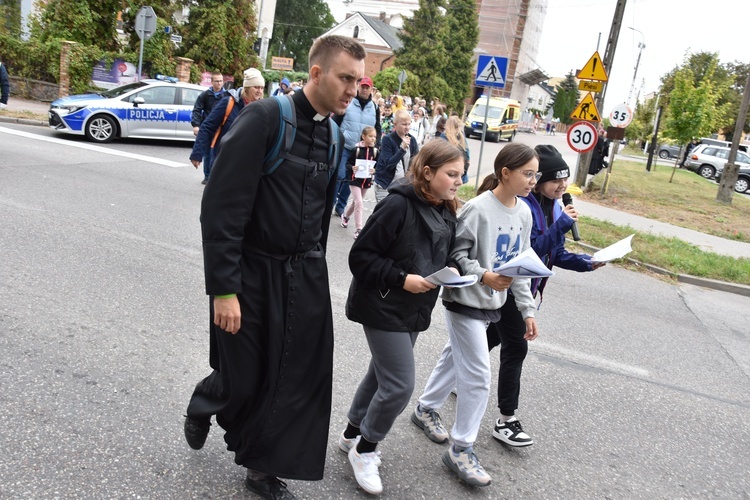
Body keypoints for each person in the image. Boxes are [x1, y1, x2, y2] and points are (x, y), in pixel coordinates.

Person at [183, 35, 366, 500]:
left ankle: (263, 468)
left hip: (304, 273)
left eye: (358, 81)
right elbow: (221, 209)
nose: (353, 89)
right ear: (317, 73)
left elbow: (321, 212)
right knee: (243, 376)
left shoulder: (330, 132)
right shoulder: (265, 118)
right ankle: (208, 397)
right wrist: (224, 290)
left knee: (297, 376)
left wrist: (317, 273)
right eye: (345, 78)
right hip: (251, 273)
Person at [339, 140, 464, 495]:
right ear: (427, 173)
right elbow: (360, 257)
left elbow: (440, 253)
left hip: (413, 307)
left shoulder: (445, 208)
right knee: (399, 386)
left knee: (380, 376)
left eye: (461, 174)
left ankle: (351, 436)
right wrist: (401, 279)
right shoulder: (396, 205)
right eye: (451, 174)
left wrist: (455, 271)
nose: (459, 180)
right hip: (382, 305)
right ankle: (366, 449)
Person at [412, 143, 540, 488]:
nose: (533, 180)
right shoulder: (479, 210)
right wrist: (484, 275)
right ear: (505, 173)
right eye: (528, 174)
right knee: (479, 374)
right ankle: (461, 448)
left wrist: (527, 309)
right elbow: (456, 255)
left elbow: (521, 266)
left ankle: (425, 408)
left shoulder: (525, 212)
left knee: (455, 357)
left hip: (493, 303)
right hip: (465, 299)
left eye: (535, 174)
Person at [485, 144, 604, 449]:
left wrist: (587, 262)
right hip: (511, 285)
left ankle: (454, 375)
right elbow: (532, 250)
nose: (563, 186)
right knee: (516, 346)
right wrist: (563, 224)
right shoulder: (526, 206)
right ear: (538, 180)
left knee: (489, 339)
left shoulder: (553, 207)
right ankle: (506, 420)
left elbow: (556, 253)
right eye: (556, 180)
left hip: (528, 289)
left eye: (565, 180)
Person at [189, 68, 265, 176]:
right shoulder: (229, 102)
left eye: (262, 88)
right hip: (224, 161)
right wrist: (197, 153)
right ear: (247, 88)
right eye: (256, 87)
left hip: (247, 164)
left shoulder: (262, 108)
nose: (260, 91)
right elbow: (207, 126)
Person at [332, 76, 381, 217]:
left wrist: (377, 144)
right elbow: (336, 121)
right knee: (340, 174)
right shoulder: (349, 101)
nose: (365, 90)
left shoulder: (375, 107)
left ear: (371, 89)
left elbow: (377, 127)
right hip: (346, 146)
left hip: (363, 150)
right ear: (359, 87)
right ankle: (332, 202)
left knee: (354, 179)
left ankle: (340, 207)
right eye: (363, 87)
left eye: (367, 88)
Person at [373, 109, 418, 203]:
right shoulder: (387, 139)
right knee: (383, 214)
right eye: (404, 124)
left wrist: (410, 172)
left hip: (401, 186)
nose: (407, 127)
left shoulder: (412, 139)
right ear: (395, 124)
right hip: (385, 184)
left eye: (409, 124)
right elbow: (389, 165)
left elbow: (416, 160)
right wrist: (402, 149)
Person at [341, 126, 378, 239]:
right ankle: (359, 229)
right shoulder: (356, 149)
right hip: (354, 180)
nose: (373, 139)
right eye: (370, 136)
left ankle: (346, 217)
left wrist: (374, 170)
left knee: (356, 202)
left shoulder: (375, 151)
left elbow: (378, 166)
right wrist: (352, 168)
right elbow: (347, 164)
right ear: (363, 136)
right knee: (359, 203)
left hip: (366, 181)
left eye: (374, 137)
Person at [191, 72, 227, 185]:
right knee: (207, 153)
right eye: (217, 81)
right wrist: (196, 125)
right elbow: (197, 110)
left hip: (220, 129)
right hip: (208, 128)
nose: (219, 83)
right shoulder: (205, 95)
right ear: (212, 82)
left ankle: (216, 176)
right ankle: (207, 176)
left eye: (221, 81)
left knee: (218, 154)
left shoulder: (226, 96)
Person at [441, 116, 470, 184]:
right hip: (461, 168)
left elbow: (440, 153)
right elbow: (467, 154)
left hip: (449, 168)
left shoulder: (444, 136)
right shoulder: (461, 136)